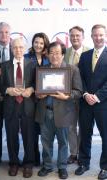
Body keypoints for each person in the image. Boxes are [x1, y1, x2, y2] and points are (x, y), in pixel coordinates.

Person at [36, 41, 82, 179]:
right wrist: (39, 94)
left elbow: (78, 91)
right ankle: (47, 166)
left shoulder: (72, 70)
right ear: (48, 55)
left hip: (64, 112)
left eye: (57, 53)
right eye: (51, 53)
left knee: (63, 142)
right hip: (45, 111)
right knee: (46, 142)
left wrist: (67, 96)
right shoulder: (42, 70)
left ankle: (62, 167)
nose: (54, 56)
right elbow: (37, 92)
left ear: (63, 54)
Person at [75, 24, 107, 180]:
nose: (98, 38)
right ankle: (83, 163)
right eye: (95, 35)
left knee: (106, 136)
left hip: (103, 104)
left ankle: (105, 168)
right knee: (85, 134)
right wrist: (86, 94)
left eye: (101, 35)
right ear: (91, 36)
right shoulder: (85, 55)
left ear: (105, 36)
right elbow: (80, 77)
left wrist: (98, 96)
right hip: (86, 102)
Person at [0, 38, 35, 178]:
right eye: (15, 47)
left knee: (29, 137)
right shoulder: (4, 65)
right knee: (11, 136)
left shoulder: (32, 65)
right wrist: (8, 90)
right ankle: (14, 163)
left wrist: (31, 89)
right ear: (11, 48)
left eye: (21, 47)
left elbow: (38, 83)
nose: (18, 50)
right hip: (10, 105)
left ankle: (28, 164)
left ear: (25, 48)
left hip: (27, 105)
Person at [64, 26, 89, 164]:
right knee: (71, 127)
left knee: (84, 127)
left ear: (83, 37)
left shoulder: (89, 52)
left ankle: (83, 153)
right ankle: (73, 153)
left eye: (78, 35)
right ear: (69, 37)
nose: (75, 38)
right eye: (72, 35)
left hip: (84, 96)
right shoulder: (65, 53)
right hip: (70, 97)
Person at [24, 32, 50, 166]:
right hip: (30, 100)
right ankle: (33, 157)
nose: (38, 45)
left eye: (41, 43)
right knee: (31, 132)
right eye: (36, 42)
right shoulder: (26, 57)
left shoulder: (49, 58)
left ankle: (47, 160)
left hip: (46, 100)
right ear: (32, 43)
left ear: (45, 44)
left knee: (45, 132)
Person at [0, 22, 13, 167]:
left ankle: (14, 159)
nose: (4, 35)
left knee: (12, 128)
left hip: (13, 97)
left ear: (10, 34)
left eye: (6, 32)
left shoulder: (17, 50)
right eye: (1, 32)